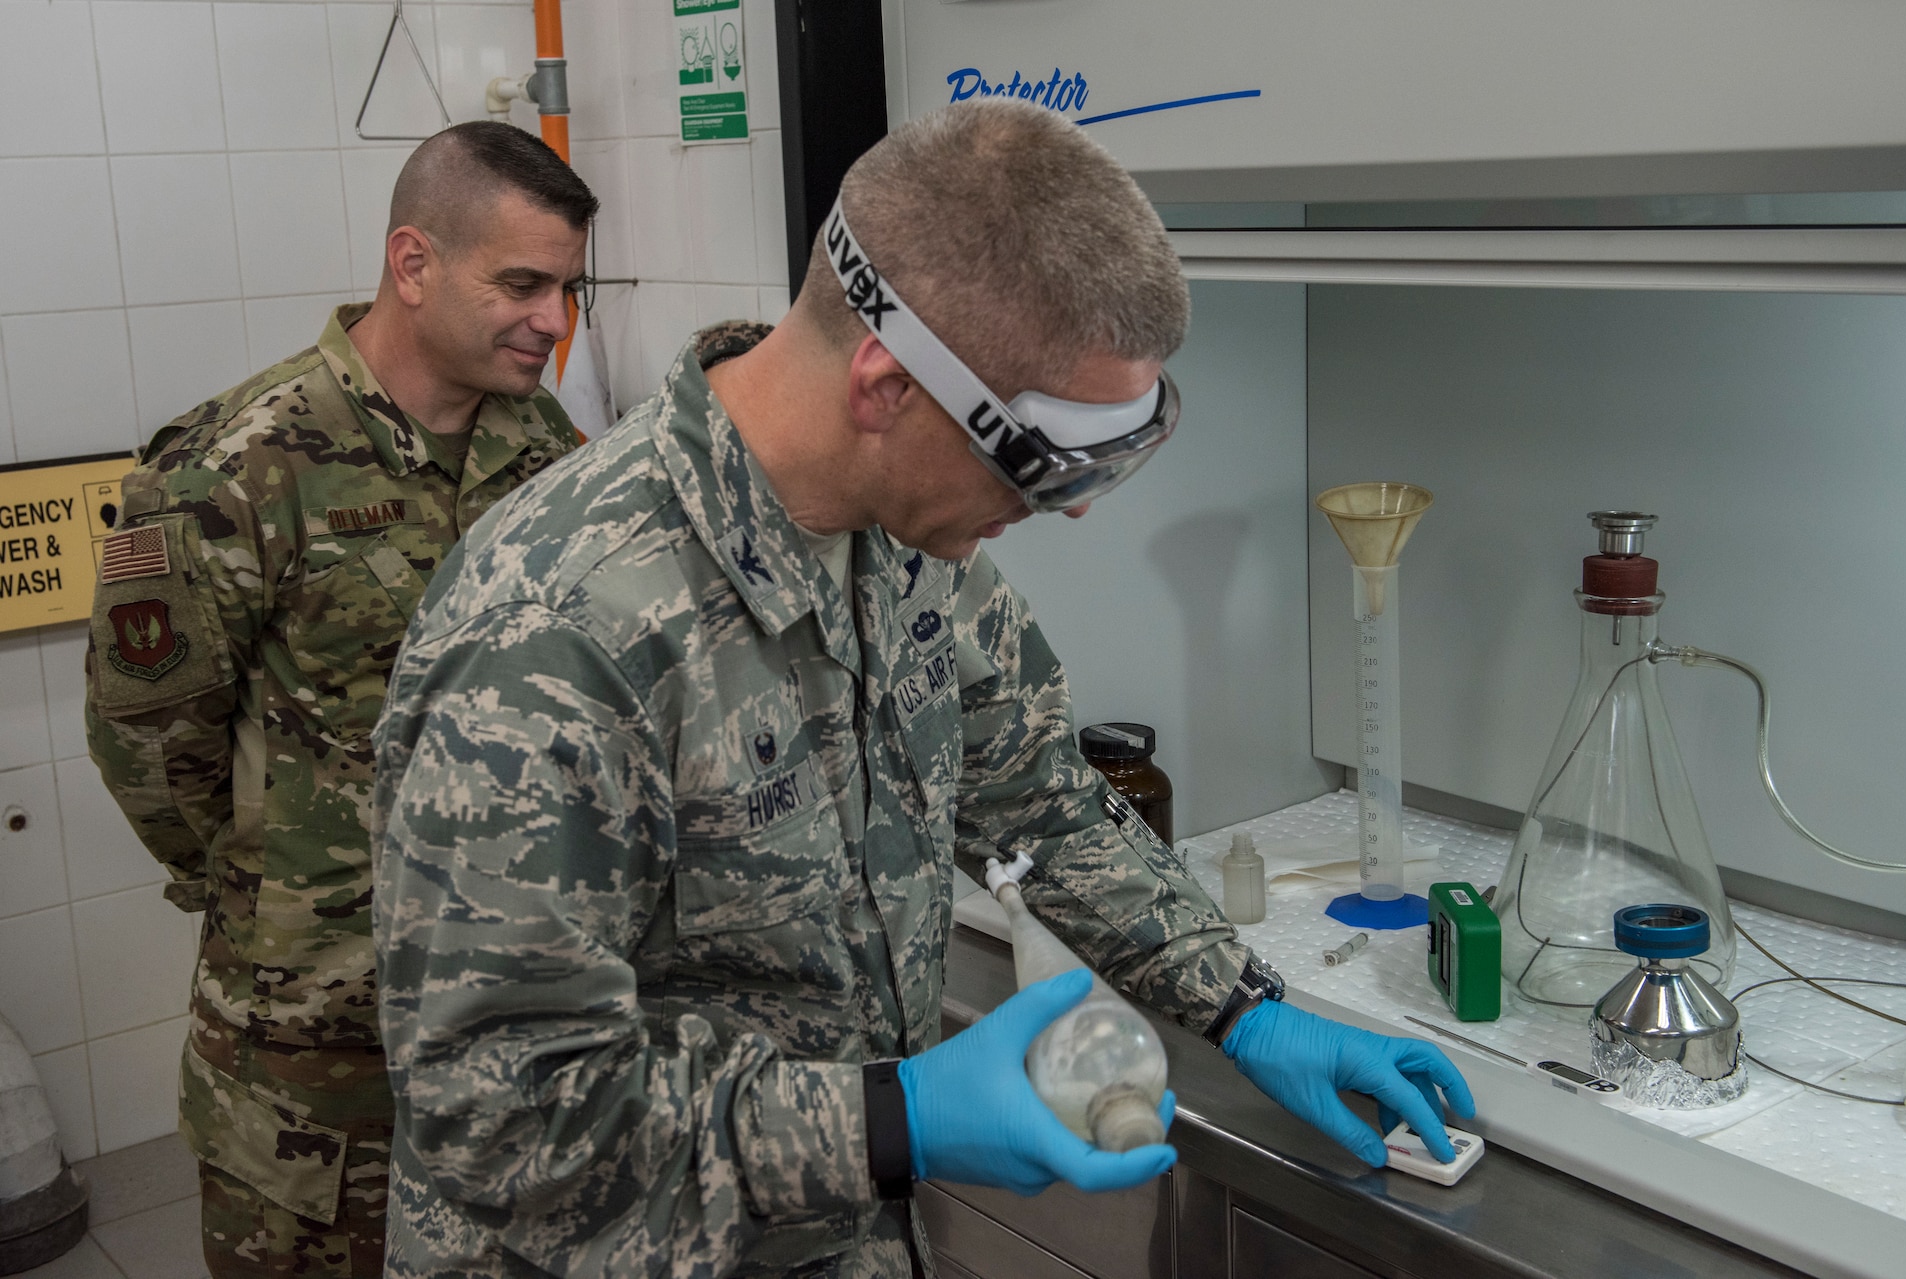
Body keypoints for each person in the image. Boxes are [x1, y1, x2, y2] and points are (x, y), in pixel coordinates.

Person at [371, 99, 1473, 1279]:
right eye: (1046, 460)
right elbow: (507, 1120)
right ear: (885, 386)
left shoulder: (903, 548)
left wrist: (1243, 1004)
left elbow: (1039, 803)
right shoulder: (561, 633)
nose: (1079, 506)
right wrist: (890, 1119)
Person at [82, 121, 596, 1279]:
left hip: (516, 1024)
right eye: (522, 283)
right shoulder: (235, 469)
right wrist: (282, 889)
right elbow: (150, 748)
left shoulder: (548, 448)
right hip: (318, 1053)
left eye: (569, 288)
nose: (554, 321)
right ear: (412, 265)